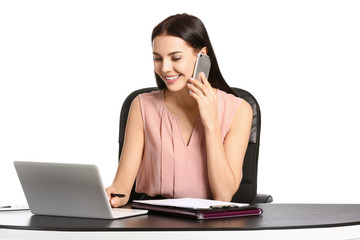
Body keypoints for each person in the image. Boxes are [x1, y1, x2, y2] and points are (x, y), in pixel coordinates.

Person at [106, 13, 253, 207]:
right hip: (151, 220)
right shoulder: (142, 106)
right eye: (157, 58)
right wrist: (108, 197)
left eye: (175, 58)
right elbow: (122, 187)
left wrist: (210, 123)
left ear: (202, 55)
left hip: (207, 224)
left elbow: (223, 196)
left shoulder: (239, 110)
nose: (165, 68)